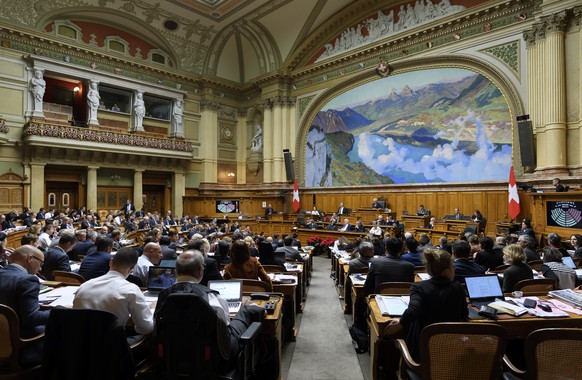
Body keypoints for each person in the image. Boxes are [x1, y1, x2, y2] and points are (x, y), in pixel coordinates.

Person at [153, 251, 264, 368]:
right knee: (243, 313)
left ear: (176, 271)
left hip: (171, 356)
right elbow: (225, 327)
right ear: (201, 270)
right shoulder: (212, 296)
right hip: (214, 357)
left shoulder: (163, 296)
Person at [386, 249, 468, 362]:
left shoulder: (419, 287)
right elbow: (464, 315)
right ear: (446, 271)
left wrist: (401, 322)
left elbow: (413, 310)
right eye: (452, 266)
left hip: (422, 351)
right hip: (451, 349)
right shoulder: (457, 287)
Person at [73, 247, 154, 343]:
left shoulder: (84, 286)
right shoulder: (131, 290)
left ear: (110, 262)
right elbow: (146, 328)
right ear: (132, 268)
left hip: (80, 344)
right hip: (112, 347)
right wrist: (151, 310)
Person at [0, 245, 49, 365]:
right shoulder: (27, 280)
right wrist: (59, 310)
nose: (41, 269)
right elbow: (32, 318)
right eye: (41, 263)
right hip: (17, 346)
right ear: (30, 258)